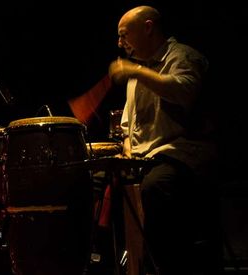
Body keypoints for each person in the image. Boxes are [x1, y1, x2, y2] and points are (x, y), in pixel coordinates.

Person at [108, 6, 222, 275]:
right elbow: (127, 126)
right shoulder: (138, 74)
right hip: (148, 159)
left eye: (124, 35)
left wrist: (136, 72)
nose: (120, 43)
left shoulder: (182, 56)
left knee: (157, 185)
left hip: (185, 156)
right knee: (99, 181)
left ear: (148, 27)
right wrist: (126, 149)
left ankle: (164, 266)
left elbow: (184, 91)